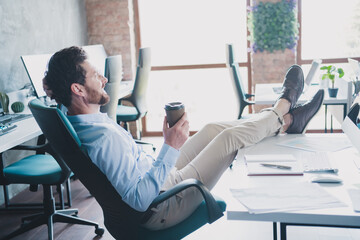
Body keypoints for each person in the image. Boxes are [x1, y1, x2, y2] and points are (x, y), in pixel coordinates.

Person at [43, 46, 324, 230]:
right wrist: (170, 147)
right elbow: (141, 200)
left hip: (158, 178)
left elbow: (133, 173)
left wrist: (166, 148)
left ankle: (285, 121)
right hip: (162, 204)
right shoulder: (101, 138)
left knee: (213, 127)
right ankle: (284, 109)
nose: (104, 79)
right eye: (95, 76)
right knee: (229, 139)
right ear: (78, 89)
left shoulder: (86, 121)